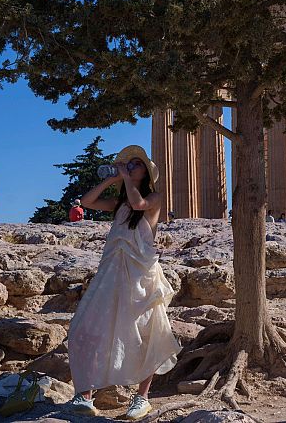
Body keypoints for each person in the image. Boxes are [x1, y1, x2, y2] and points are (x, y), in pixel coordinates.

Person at [66, 145, 181, 419]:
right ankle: (85, 395)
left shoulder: (154, 196)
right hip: (112, 274)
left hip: (141, 274)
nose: (130, 166)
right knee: (88, 326)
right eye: (128, 163)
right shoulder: (119, 203)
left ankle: (142, 397)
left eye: (136, 164)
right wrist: (112, 179)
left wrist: (127, 181)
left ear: (146, 173)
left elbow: (138, 204)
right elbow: (88, 200)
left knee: (145, 331)